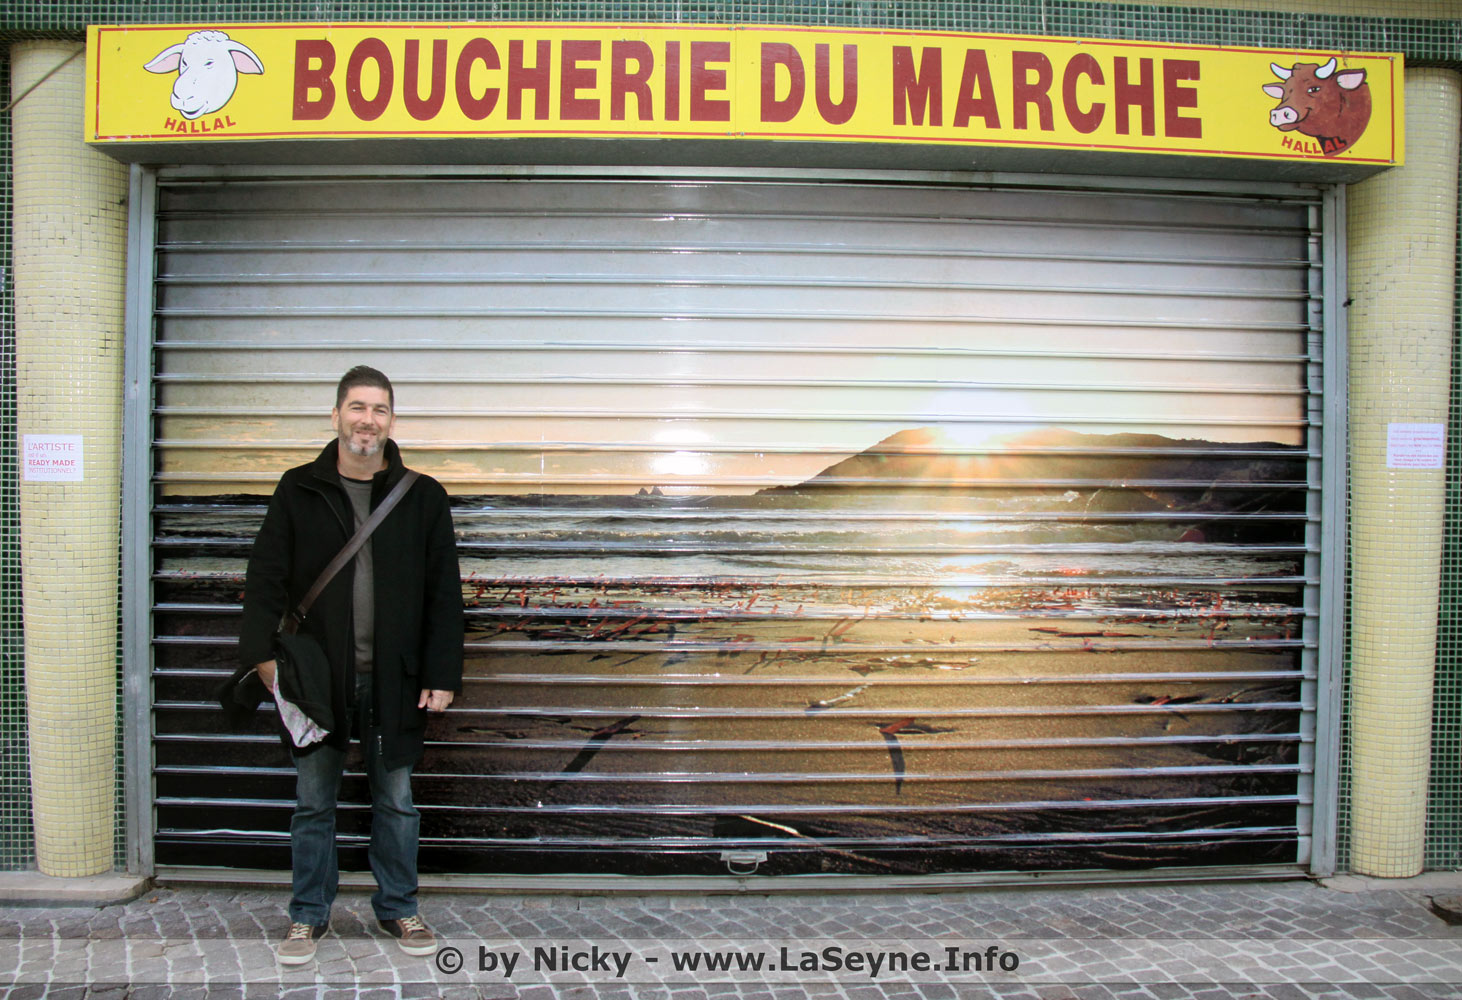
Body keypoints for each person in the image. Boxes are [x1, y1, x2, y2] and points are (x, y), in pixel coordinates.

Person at [228, 365, 464, 966]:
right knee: (313, 802)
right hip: (316, 680)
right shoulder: (298, 488)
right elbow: (265, 577)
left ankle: (399, 907)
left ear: (392, 420)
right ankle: (307, 915)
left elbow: (443, 592)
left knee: (397, 801)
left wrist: (442, 675)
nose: (368, 420)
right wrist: (261, 660)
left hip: (395, 679)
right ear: (336, 415)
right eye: (357, 407)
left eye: (379, 409)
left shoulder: (423, 495)